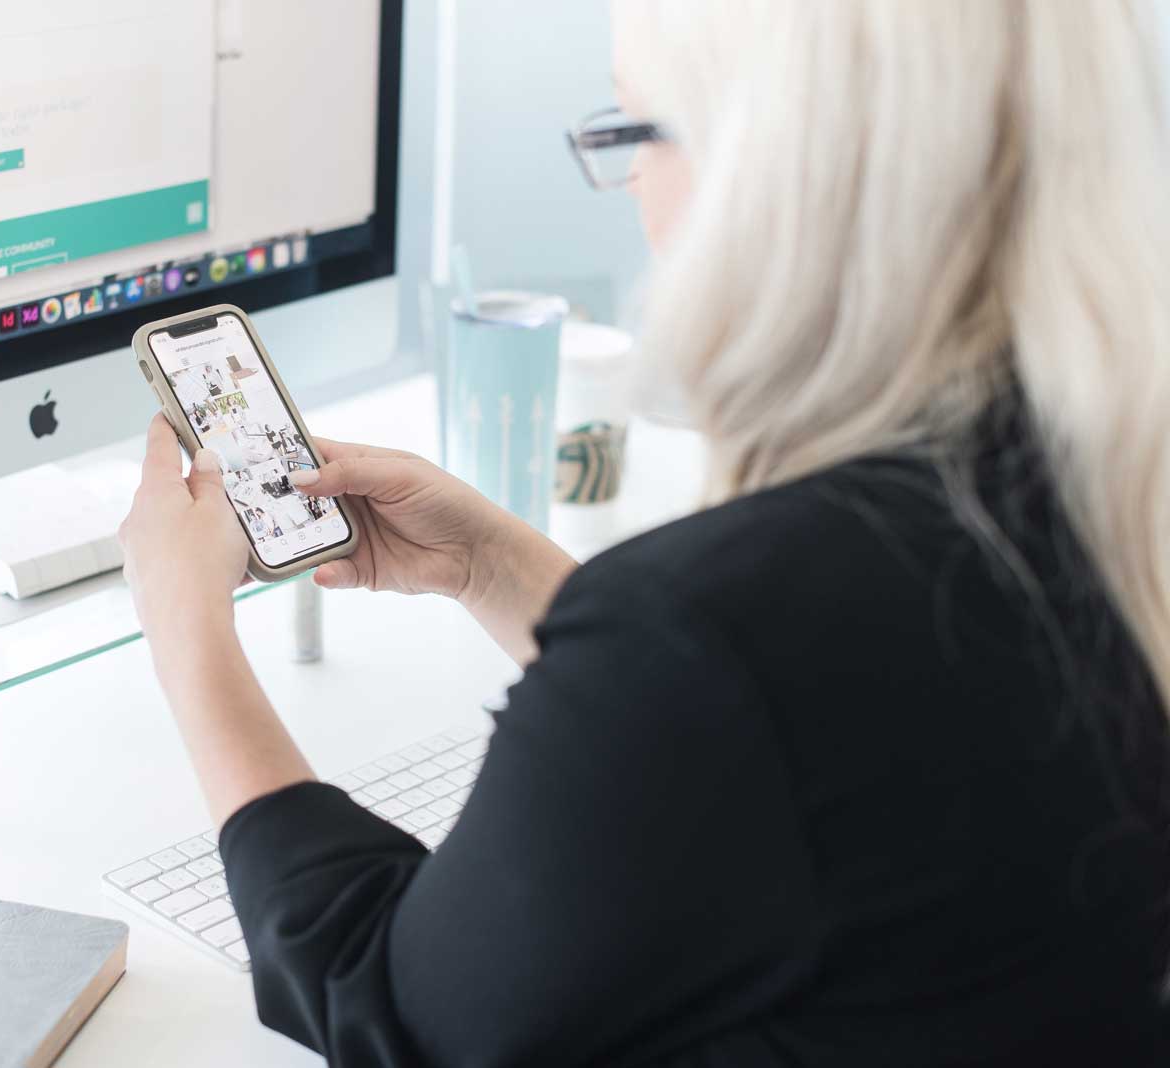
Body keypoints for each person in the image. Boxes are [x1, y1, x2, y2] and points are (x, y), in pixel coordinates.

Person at [119, 2, 1170, 1064]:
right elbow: (795, 746)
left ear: (777, 170)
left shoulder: (726, 630)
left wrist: (184, 627)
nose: (627, 185)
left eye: (632, 132)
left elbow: (390, 1004)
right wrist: (490, 562)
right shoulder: (1099, 492)